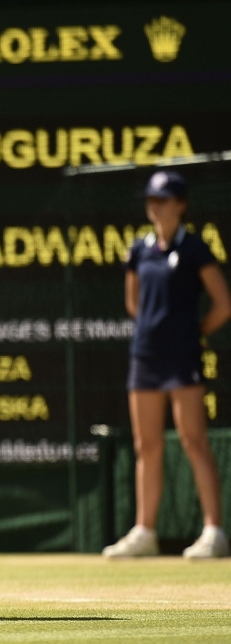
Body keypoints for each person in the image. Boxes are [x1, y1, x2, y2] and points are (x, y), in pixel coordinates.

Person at [103, 171, 231, 559]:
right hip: (145, 356)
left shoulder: (194, 248)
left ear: (180, 205)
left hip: (183, 357)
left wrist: (194, 335)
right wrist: (154, 333)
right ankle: (145, 531)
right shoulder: (139, 249)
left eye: (162, 200)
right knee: (146, 445)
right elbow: (133, 303)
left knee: (193, 440)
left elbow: (223, 304)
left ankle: (213, 531)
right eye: (150, 201)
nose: (154, 207)